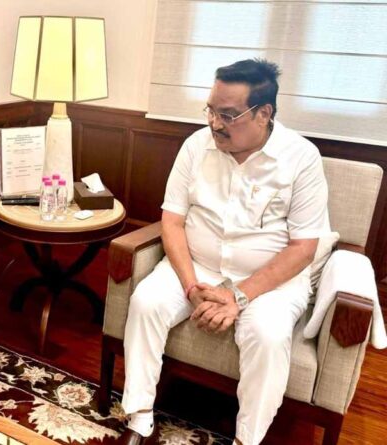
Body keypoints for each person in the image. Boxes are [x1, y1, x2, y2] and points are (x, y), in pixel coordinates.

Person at [118, 59, 328, 445]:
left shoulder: (301, 158)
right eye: (211, 110)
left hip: (269, 283)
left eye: (228, 115)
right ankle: (139, 417)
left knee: (267, 336)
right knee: (146, 302)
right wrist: (189, 286)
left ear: (264, 113)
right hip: (197, 266)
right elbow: (172, 221)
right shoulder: (195, 146)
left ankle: (247, 439)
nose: (215, 123)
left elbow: (303, 248)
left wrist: (238, 295)